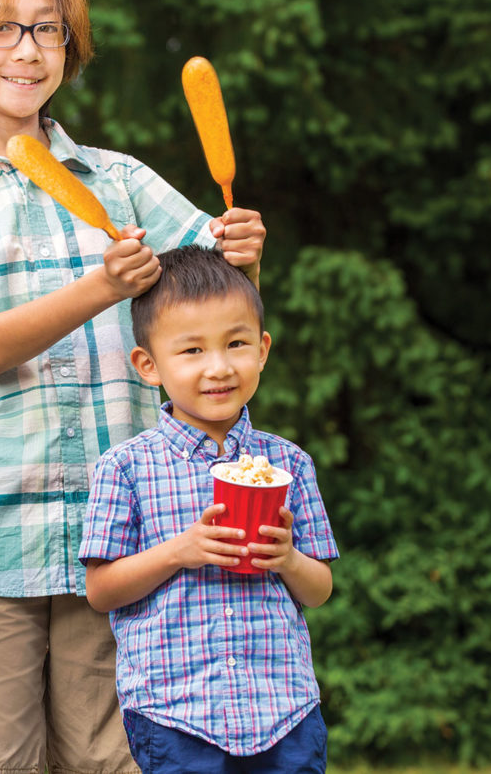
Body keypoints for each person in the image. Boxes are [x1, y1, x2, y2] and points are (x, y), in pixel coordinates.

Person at [0, 0, 266, 773]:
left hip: (123, 537)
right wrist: (103, 286)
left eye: (46, 30)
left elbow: (219, 305)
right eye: (0, 30)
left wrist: (243, 251)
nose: (27, 49)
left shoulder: (121, 182)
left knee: (113, 756)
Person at [80, 245, 338, 774]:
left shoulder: (288, 463)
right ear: (148, 365)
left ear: (263, 349)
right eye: (192, 351)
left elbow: (319, 589)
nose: (219, 367)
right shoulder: (126, 468)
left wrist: (288, 559)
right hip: (175, 713)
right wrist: (180, 551)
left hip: (283, 709)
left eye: (236, 343)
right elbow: (100, 590)